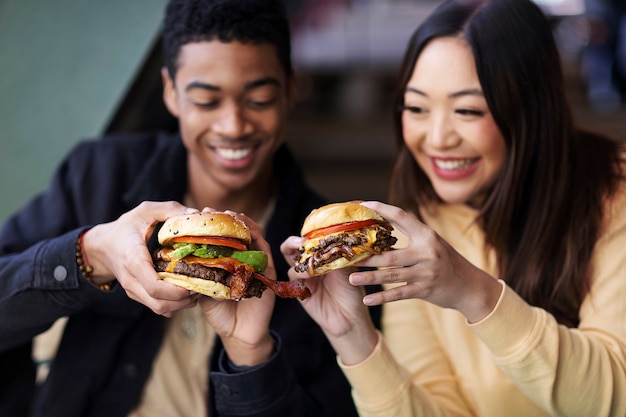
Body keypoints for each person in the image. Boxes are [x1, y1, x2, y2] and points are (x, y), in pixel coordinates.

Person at [0, 0, 378, 416]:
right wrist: (91, 253)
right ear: (171, 92)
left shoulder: (327, 257)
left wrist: (252, 354)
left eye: (259, 99)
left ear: (290, 91)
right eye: (206, 101)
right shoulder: (98, 175)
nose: (233, 125)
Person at [281, 0, 626, 416]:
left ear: (531, 109)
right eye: (417, 107)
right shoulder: (417, 227)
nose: (438, 138)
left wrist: (472, 292)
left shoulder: (614, 196)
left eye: (467, 110)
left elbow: (614, 400)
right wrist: (353, 337)